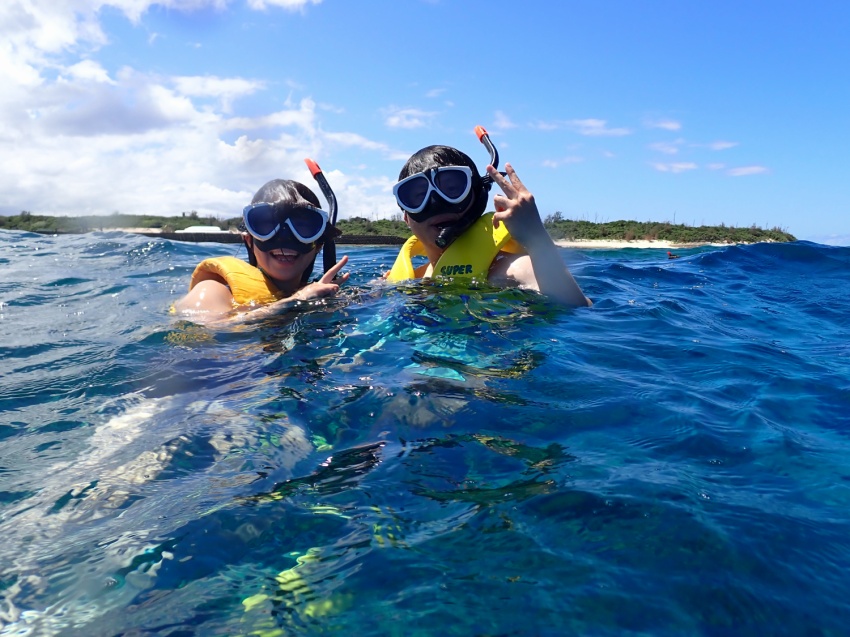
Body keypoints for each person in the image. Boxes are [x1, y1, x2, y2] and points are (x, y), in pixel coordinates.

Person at [386, 127, 590, 308]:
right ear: (406, 217)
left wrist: (537, 239)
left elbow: (576, 307)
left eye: (453, 188)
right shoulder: (408, 281)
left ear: (478, 198)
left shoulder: (511, 271)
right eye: (418, 196)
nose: (436, 203)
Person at [174, 161, 349, 320]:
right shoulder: (212, 291)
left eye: (303, 227)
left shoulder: (320, 293)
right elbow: (200, 342)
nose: (285, 237)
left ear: (318, 245)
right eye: (267, 225)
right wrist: (294, 302)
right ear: (249, 239)